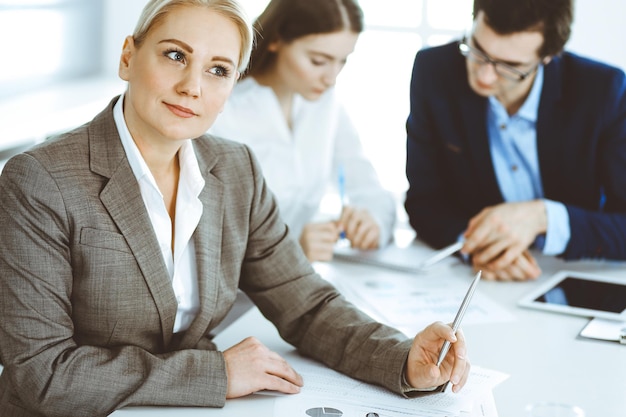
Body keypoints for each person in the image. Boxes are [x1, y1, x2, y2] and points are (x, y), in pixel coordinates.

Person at [0, 0, 469, 415]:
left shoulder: (235, 168)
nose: (192, 86)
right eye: (175, 55)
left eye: (218, 70)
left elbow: (306, 305)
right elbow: (41, 372)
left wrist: (403, 359)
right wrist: (214, 375)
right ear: (128, 56)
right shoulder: (40, 181)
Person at [404, 0, 626, 281]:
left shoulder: (602, 91)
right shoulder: (434, 71)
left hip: (576, 276)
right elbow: (423, 201)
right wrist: (475, 245)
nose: (485, 76)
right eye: (477, 50)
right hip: (480, 282)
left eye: (510, 66)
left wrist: (543, 217)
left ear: (549, 56)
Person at [209, 0, 396, 262]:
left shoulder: (325, 105)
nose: (331, 78)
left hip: (300, 286)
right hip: (239, 297)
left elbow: (369, 189)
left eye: (342, 61)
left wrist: (371, 223)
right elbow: (207, 241)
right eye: (318, 61)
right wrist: (290, 247)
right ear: (275, 40)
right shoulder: (221, 112)